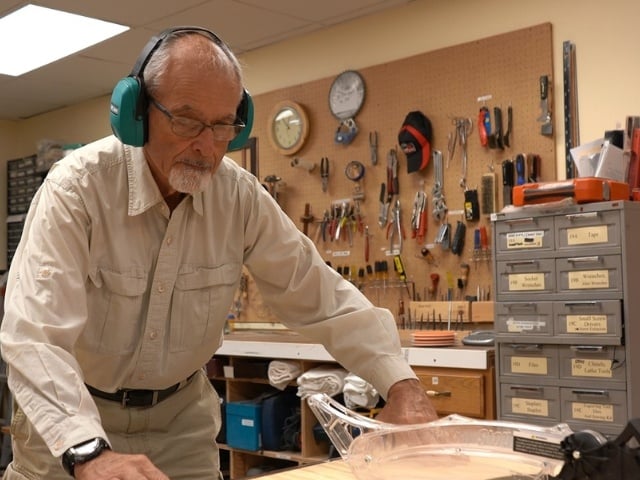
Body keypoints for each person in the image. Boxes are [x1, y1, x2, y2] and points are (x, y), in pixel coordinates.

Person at [0, 27, 437, 480]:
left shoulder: (240, 197)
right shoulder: (77, 188)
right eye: (186, 121)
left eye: (223, 125)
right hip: (70, 419)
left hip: (179, 422)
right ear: (137, 113)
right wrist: (88, 452)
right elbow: (34, 335)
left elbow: (321, 294)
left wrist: (403, 386)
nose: (207, 147)